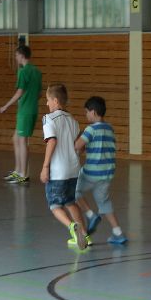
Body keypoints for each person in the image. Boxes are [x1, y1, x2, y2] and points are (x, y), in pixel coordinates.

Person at [40, 84, 89, 251]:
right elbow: (79, 145)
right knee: (70, 202)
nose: (47, 103)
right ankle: (85, 235)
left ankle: (72, 228)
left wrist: (45, 166)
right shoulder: (73, 121)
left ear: (55, 100)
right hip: (73, 169)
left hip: (58, 171)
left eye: (48, 100)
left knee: (55, 205)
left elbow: (52, 141)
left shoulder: (48, 119)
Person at [73, 96, 127, 246]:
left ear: (93, 112)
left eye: (86, 112)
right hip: (107, 174)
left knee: (73, 191)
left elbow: (77, 146)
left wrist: (78, 138)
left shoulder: (90, 129)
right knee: (104, 202)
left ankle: (91, 215)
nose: (86, 115)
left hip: (91, 172)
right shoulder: (109, 128)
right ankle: (118, 233)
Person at [0, 44, 42, 185]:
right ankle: (18, 171)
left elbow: (20, 92)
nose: (15, 57)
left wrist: (6, 106)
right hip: (31, 109)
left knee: (22, 141)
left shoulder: (23, 72)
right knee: (15, 138)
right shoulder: (37, 71)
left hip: (25, 111)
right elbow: (39, 94)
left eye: (16, 55)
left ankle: (24, 174)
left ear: (22, 55)